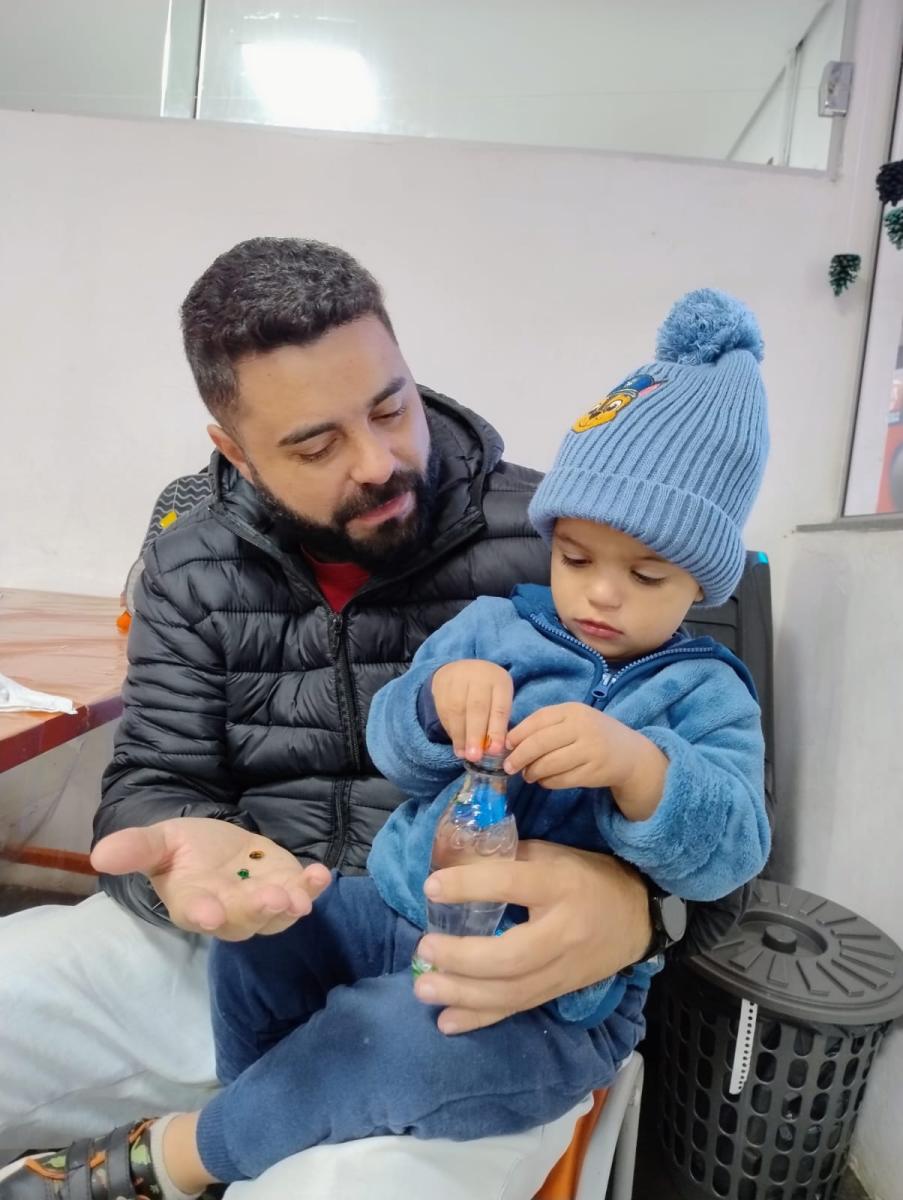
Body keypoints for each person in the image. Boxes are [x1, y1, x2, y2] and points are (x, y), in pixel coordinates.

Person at [0, 283, 771, 1200]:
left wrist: (639, 908)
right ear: (235, 450)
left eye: (389, 408)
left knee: (374, 1074)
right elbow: (164, 777)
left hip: (525, 983)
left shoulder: (557, 535)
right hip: (316, 911)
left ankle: (201, 1149)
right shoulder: (189, 561)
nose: (375, 461)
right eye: (314, 443)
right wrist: (192, 865)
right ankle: (258, 1117)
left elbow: (734, 852)